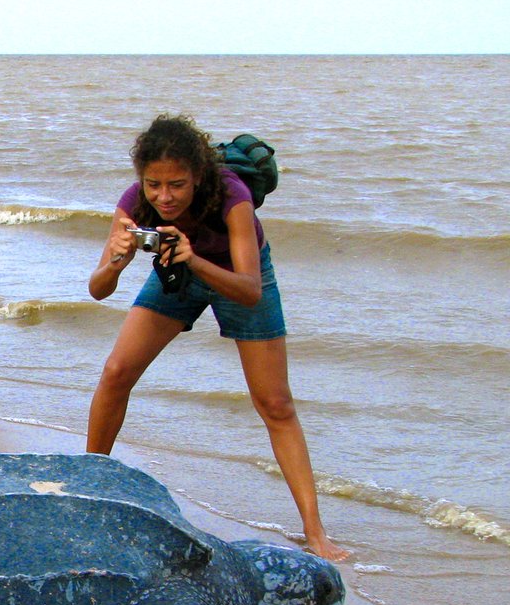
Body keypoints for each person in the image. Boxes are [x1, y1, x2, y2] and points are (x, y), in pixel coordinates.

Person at [86, 114, 349, 562]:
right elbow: (97, 289)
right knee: (116, 372)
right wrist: (115, 261)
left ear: (198, 176)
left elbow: (249, 289)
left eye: (177, 185)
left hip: (236, 275)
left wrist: (194, 259)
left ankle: (315, 531)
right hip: (177, 271)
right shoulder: (134, 201)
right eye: (154, 185)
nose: (163, 197)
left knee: (276, 405)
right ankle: (88, 488)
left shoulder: (232, 195)